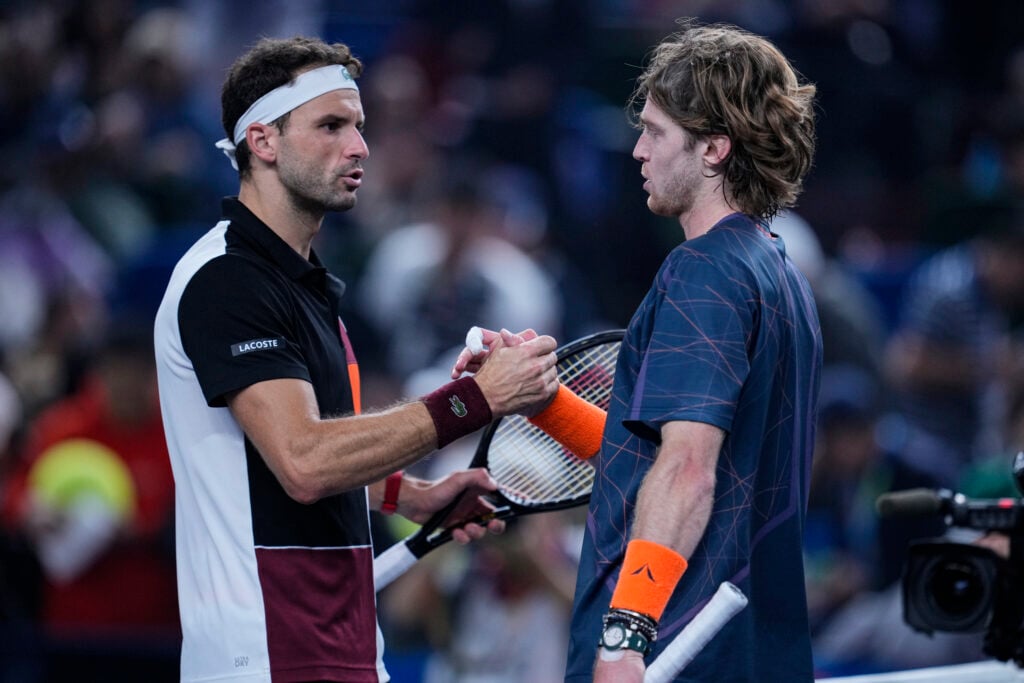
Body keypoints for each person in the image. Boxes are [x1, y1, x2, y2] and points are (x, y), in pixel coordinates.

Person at [153, 36, 559, 683]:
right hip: (264, 655)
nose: (360, 147)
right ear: (262, 141)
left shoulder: (297, 282)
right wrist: (473, 400)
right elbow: (305, 461)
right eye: (332, 125)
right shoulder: (226, 278)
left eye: (360, 127)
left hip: (337, 648)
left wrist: (411, 493)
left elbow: (285, 454)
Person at [457, 19, 821, 682]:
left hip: (676, 651)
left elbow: (687, 470)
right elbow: (650, 459)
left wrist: (625, 635)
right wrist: (544, 401)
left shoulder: (702, 271)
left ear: (713, 147)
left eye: (655, 132)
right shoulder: (776, 269)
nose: (637, 152)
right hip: (745, 649)